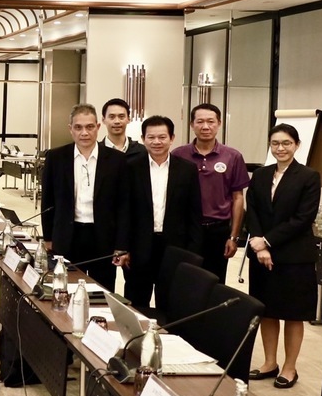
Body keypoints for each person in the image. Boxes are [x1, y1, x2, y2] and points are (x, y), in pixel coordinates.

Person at [245, 124, 320, 389]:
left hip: (294, 257)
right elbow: (252, 210)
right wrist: (259, 245)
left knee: (293, 313)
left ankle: (290, 368)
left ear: (297, 145)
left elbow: (302, 218)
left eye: (286, 143)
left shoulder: (309, 176)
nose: (280, 148)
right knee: (267, 310)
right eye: (275, 143)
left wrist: (267, 241)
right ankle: (269, 362)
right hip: (261, 256)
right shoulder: (261, 175)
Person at [40, 103, 129, 290]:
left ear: (98, 127)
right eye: (78, 127)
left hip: (103, 237)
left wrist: (121, 244)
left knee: (102, 291)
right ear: (70, 129)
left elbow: (123, 206)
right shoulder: (56, 157)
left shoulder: (117, 160)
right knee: (65, 290)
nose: (84, 133)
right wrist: (48, 237)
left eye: (89, 127)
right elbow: (48, 200)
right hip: (68, 236)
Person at [123, 116, 203, 309]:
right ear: (143, 139)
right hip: (139, 246)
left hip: (174, 247)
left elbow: (194, 213)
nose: (156, 142)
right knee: (136, 301)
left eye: (162, 137)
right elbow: (124, 211)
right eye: (151, 137)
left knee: (170, 301)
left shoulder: (187, 169)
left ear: (172, 138)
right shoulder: (130, 167)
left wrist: (192, 250)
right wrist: (123, 247)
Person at [171, 103, 249, 282]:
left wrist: (234, 236)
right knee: (185, 279)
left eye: (211, 121)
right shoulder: (178, 155)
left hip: (218, 230)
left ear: (219, 123)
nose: (205, 126)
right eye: (200, 121)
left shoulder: (233, 156)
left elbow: (238, 198)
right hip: (186, 229)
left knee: (215, 280)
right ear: (192, 124)